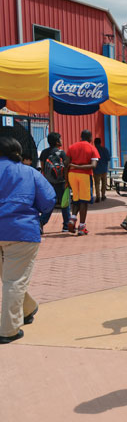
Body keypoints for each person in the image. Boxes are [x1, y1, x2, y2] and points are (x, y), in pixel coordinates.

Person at [0, 137, 55, 342]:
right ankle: (8, 330)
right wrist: (39, 216)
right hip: (21, 232)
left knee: (9, 279)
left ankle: (29, 308)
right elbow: (48, 200)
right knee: (14, 280)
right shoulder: (29, 172)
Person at [64, 129, 99, 235]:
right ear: (90, 138)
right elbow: (93, 166)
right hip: (84, 175)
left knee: (76, 198)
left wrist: (66, 180)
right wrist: (79, 166)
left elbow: (66, 164)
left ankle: (72, 218)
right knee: (84, 201)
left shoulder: (72, 147)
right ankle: (82, 226)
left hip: (72, 175)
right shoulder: (92, 148)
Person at [38, 132, 70, 233]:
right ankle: (66, 225)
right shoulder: (62, 153)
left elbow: (43, 168)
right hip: (61, 182)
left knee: (50, 203)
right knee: (65, 203)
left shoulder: (44, 152)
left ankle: (41, 221)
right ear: (57, 142)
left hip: (48, 182)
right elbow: (66, 168)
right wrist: (67, 181)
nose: (61, 140)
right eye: (60, 139)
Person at [93, 137, 111, 201]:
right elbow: (108, 158)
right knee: (104, 183)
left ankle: (98, 196)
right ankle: (103, 195)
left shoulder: (93, 150)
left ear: (94, 143)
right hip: (104, 169)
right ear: (100, 143)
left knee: (97, 183)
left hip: (96, 169)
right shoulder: (105, 149)